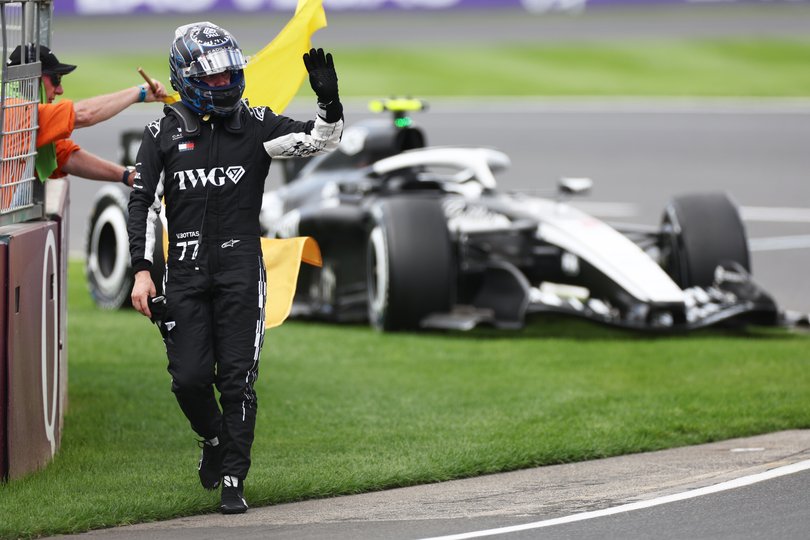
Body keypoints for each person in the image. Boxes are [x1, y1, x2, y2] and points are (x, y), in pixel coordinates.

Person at [127, 22, 343, 514]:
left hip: (242, 270)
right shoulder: (160, 132)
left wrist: (329, 103)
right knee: (189, 379)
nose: (226, 85)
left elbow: (322, 141)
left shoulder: (258, 125)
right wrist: (142, 270)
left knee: (238, 380)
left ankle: (233, 479)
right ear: (187, 78)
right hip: (182, 275)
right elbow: (140, 205)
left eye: (230, 76)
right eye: (215, 78)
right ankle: (210, 438)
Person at [6, 44, 168, 186]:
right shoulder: (14, 110)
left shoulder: (16, 107)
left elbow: (67, 157)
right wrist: (140, 92)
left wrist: (127, 176)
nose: (60, 90)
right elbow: (84, 114)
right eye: (56, 79)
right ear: (32, 79)